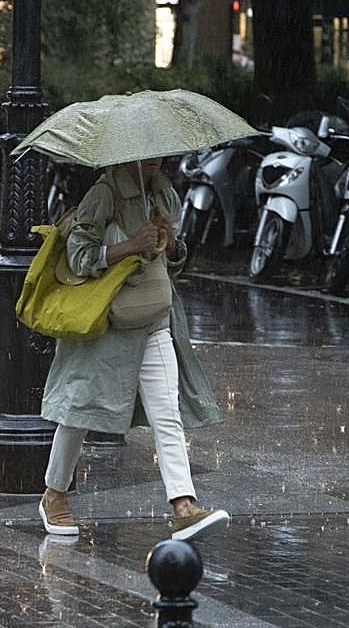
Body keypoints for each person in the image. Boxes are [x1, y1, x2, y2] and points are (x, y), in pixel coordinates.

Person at [39, 157, 228, 542]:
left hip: (155, 320)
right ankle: (54, 496)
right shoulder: (103, 195)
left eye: (159, 155)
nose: (154, 162)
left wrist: (169, 244)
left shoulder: (164, 196)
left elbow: (172, 262)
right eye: (147, 156)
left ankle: (183, 507)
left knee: (167, 414)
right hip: (108, 324)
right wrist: (130, 245)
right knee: (79, 411)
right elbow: (80, 258)